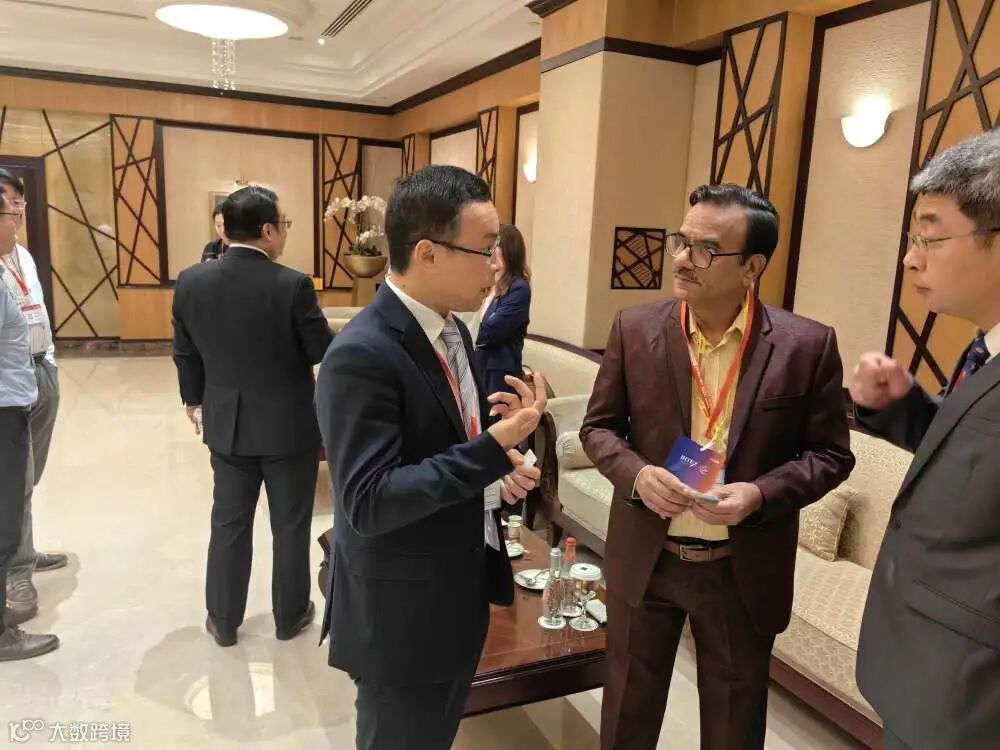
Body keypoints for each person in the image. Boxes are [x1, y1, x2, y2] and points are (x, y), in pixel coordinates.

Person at [581, 184, 855, 750]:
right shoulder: (635, 328)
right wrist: (637, 475)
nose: (683, 258)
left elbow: (831, 455)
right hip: (648, 558)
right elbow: (598, 429)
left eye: (706, 249)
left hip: (740, 570)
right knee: (627, 717)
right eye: (681, 241)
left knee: (733, 729)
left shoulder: (805, 346)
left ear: (752, 267)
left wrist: (760, 494)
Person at [315, 165, 546, 750]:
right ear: (428, 253)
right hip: (401, 614)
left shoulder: (453, 331)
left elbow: (444, 451)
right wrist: (491, 450)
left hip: (456, 592)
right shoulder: (362, 353)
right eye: (485, 249)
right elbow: (370, 501)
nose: (495, 266)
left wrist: (497, 474)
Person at [850, 130, 1000, 750]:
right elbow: (974, 463)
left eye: (929, 238)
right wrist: (906, 410)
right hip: (928, 671)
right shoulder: (984, 348)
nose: (911, 260)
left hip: (973, 693)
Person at [172, 185, 332, 648]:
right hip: (289, 427)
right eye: (284, 224)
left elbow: (185, 352)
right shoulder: (293, 285)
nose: (285, 232)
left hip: (226, 423)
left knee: (228, 523)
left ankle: (223, 620)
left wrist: (194, 401)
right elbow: (320, 351)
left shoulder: (191, 281)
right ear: (267, 231)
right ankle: (290, 615)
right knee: (290, 525)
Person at [0, 168, 67, 628]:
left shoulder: (22, 255)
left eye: (21, 203)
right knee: (14, 480)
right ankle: (16, 573)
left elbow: (37, 311)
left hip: (42, 369)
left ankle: (24, 549)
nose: (18, 212)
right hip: (11, 381)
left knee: (30, 475)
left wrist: (51, 363)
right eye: (10, 203)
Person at [474, 223, 531, 397]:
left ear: (509, 250)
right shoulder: (491, 284)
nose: (489, 252)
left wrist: (469, 331)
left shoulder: (519, 288)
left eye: (494, 246)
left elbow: (492, 330)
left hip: (500, 371)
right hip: (481, 364)